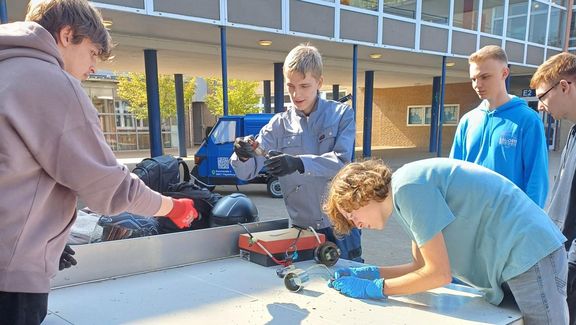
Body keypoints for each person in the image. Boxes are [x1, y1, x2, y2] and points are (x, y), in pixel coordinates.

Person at [0, 1, 198, 323]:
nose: (93, 67)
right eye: (92, 52)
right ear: (67, 35)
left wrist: (45, 237)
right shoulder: (52, 84)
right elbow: (110, 189)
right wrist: (173, 208)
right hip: (10, 278)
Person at [324, 158, 568, 325]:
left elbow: (439, 275)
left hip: (528, 252)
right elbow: (420, 268)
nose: (354, 222)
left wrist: (375, 288)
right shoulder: (401, 198)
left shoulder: (408, 189)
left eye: (350, 213)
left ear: (361, 193)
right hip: (515, 260)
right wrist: (370, 273)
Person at [230, 44, 362, 261]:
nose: (296, 94)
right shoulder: (278, 125)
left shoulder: (341, 115)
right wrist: (243, 154)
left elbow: (342, 163)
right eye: (290, 86)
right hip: (302, 229)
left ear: (319, 82)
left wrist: (298, 163)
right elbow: (246, 173)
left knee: (349, 280)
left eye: (304, 85)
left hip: (342, 225)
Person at [450, 45, 548, 207]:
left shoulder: (528, 120)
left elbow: (537, 178)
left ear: (504, 73)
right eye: (473, 79)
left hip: (509, 220)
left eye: (485, 77)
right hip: (470, 215)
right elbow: (453, 172)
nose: (477, 84)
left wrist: (529, 225)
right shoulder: (468, 120)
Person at [531, 52, 576, 325]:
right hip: (563, 258)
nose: (540, 106)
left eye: (542, 96)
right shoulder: (573, 133)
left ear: (564, 86)